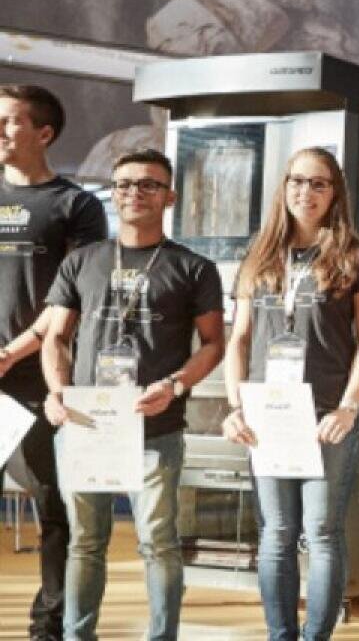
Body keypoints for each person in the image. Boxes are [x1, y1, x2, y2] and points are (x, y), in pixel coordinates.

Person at [40, 149, 225, 641]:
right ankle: (78, 636)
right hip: (85, 426)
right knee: (85, 543)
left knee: (158, 543)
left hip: (154, 428)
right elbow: (56, 337)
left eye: (147, 184)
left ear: (170, 195)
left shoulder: (193, 268)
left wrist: (176, 385)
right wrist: (57, 392)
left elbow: (214, 344)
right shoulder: (82, 261)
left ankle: (161, 636)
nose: (133, 193)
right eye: (124, 184)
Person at [220, 148, 359, 641]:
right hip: (267, 416)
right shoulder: (260, 254)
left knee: (323, 532)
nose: (305, 192)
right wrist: (234, 407)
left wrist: (349, 407)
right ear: (283, 187)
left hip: (325, 416)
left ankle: (316, 636)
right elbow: (240, 338)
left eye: (318, 183)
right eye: (296, 181)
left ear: (335, 193)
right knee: (275, 535)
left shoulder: (358, 256)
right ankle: (280, 635)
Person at [0, 83, 107, 640]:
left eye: (11, 121)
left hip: (38, 380)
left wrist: (14, 351)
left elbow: (71, 298)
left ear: (44, 134)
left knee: (54, 506)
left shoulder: (78, 206)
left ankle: (50, 624)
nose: (0, 130)